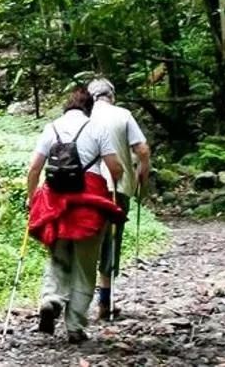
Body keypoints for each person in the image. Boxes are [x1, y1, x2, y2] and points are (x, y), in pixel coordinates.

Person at [25, 86, 125, 344]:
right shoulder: (97, 129)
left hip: (55, 204)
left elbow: (34, 168)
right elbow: (114, 168)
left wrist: (31, 198)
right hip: (89, 205)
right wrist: (118, 176)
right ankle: (75, 327)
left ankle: (51, 300)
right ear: (88, 108)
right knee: (84, 265)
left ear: (66, 106)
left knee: (58, 258)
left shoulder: (51, 128)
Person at [86, 77, 151, 321]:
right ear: (111, 96)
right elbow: (142, 150)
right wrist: (141, 173)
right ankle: (105, 302)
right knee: (111, 242)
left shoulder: (85, 116)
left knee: (87, 240)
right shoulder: (122, 114)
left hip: (87, 187)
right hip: (117, 186)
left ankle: (77, 300)